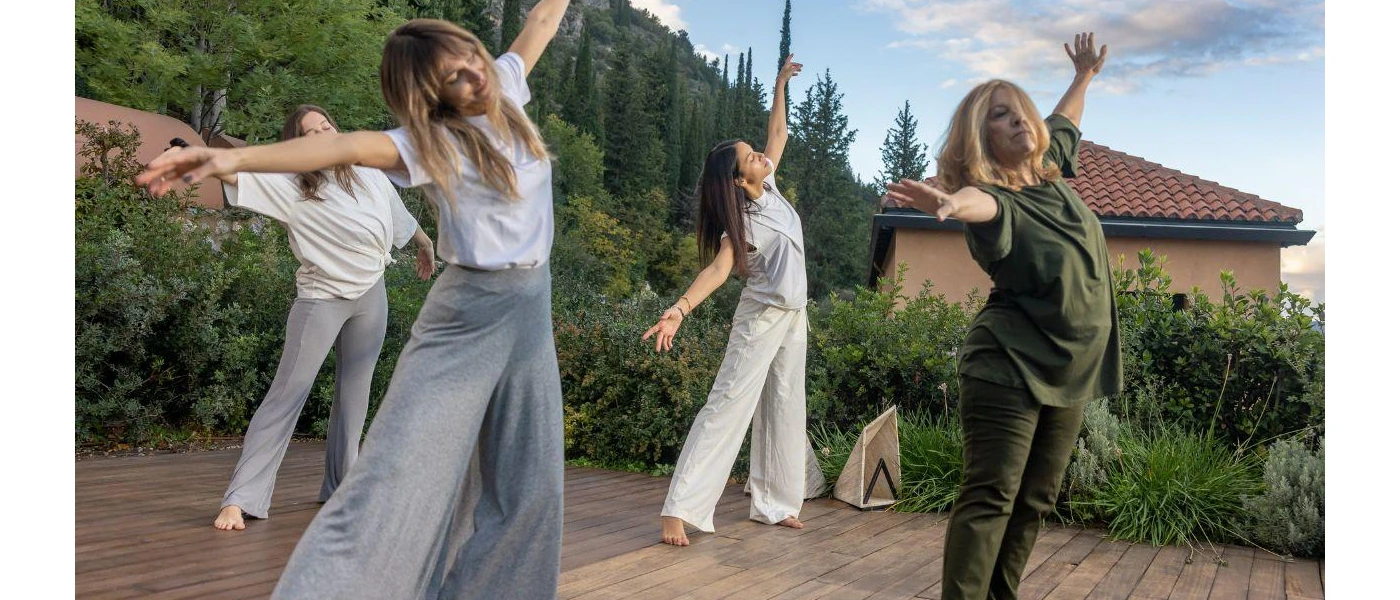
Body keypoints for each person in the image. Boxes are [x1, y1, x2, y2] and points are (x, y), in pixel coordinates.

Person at [138, 3, 572, 597]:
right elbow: (340, 148)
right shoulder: (429, 142)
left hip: (526, 303)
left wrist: (422, 242)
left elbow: (541, 21)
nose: (474, 73)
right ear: (430, 98)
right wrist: (228, 158)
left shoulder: (504, 86)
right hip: (464, 309)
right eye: (453, 76)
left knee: (531, 483)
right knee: (391, 474)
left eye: (471, 57)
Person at [884, 32, 1121, 600]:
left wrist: (1084, 75)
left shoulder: (1050, 168)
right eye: (1000, 115)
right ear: (980, 138)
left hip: (1071, 368)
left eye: (1021, 111)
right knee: (991, 496)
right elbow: (979, 204)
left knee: (1036, 500)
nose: (1018, 120)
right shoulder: (997, 199)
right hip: (1009, 364)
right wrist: (950, 202)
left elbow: (1065, 120)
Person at [193, 104, 436, 532]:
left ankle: (343, 489)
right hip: (321, 300)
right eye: (311, 132)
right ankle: (240, 499)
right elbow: (237, 175)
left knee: (354, 398)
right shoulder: (291, 184)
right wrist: (199, 158)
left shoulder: (367, 172)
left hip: (371, 295)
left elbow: (399, 216)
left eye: (327, 125)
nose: (324, 133)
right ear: (297, 144)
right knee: (287, 395)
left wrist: (424, 242)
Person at [644, 54, 821, 547]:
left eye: (755, 152)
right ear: (740, 180)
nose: (761, 155)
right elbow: (719, 271)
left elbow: (779, 133)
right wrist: (679, 309)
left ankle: (775, 504)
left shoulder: (771, 186)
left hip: (794, 315)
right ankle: (678, 509)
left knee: (785, 404)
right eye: (751, 158)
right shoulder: (741, 223)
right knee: (726, 405)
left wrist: (780, 83)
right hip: (760, 319)